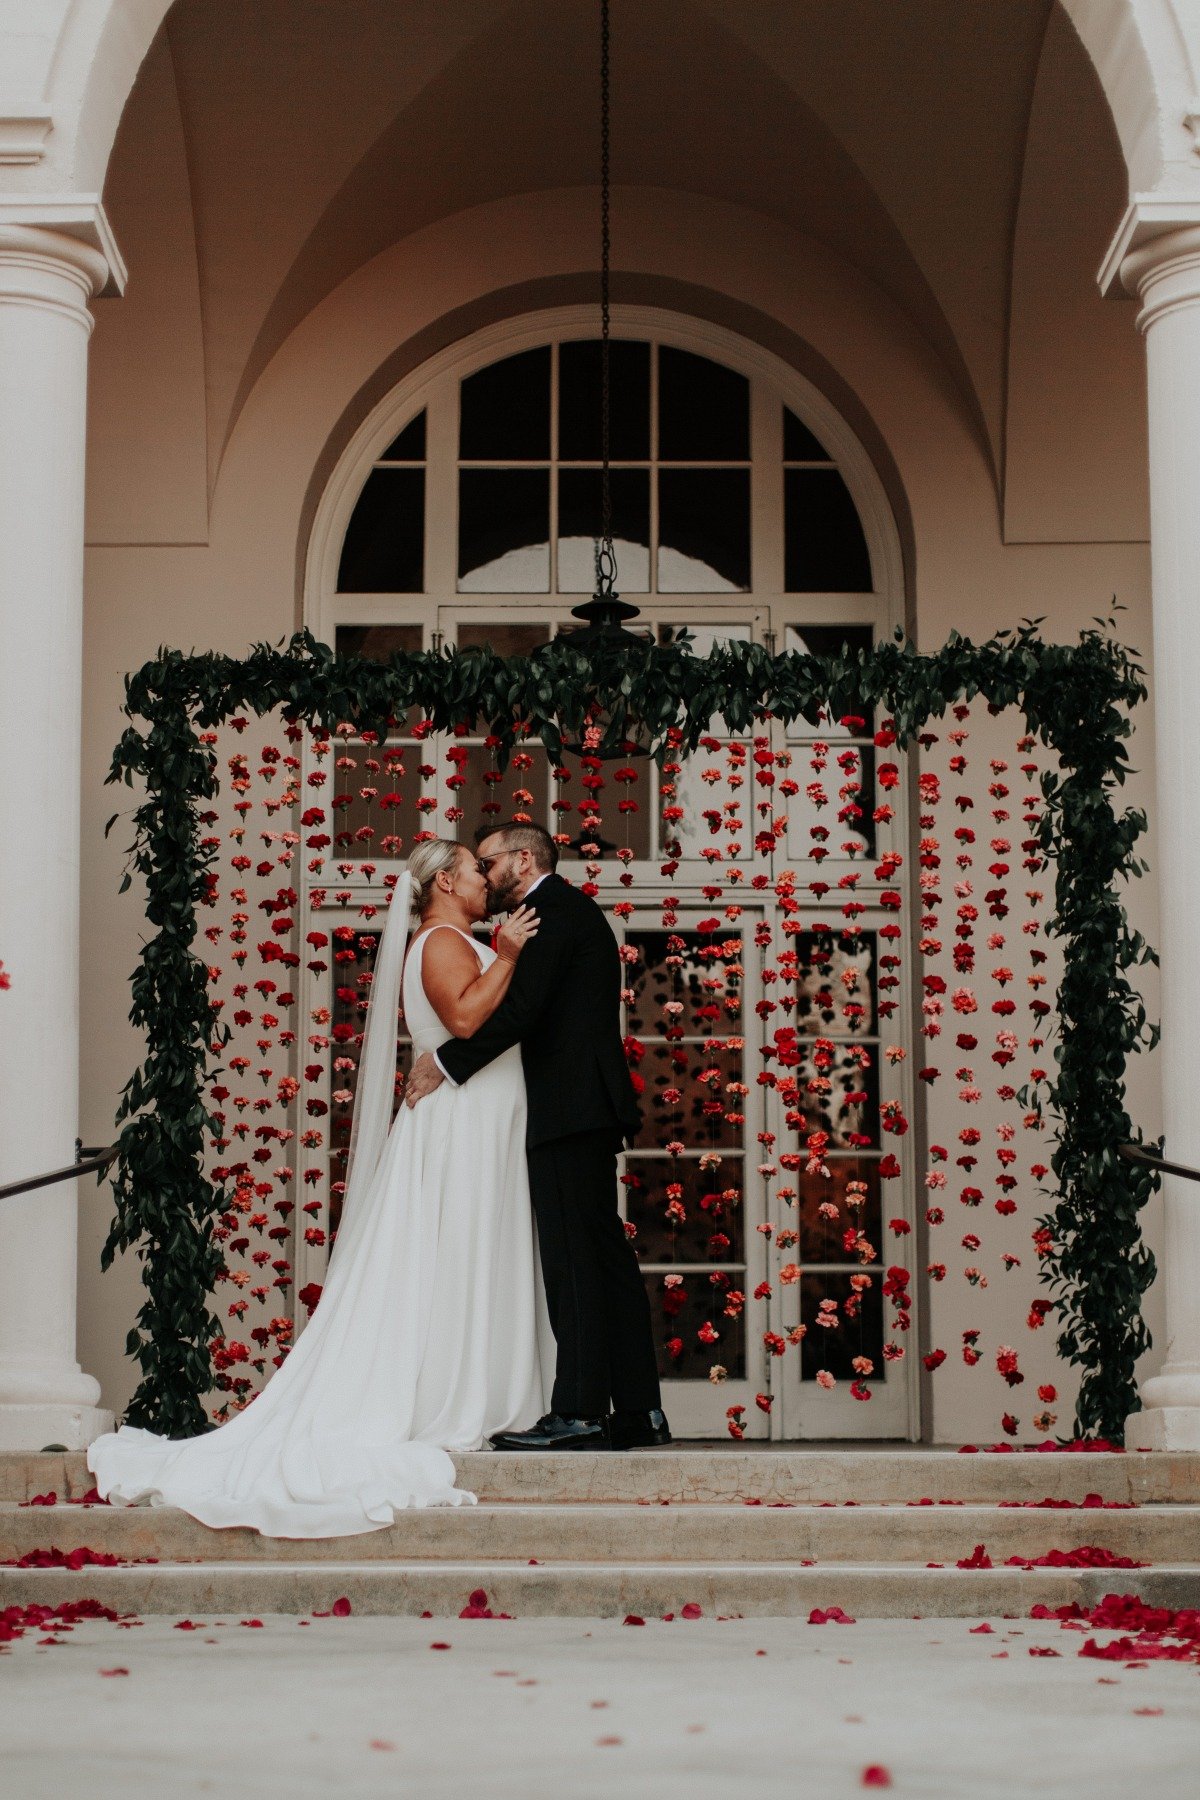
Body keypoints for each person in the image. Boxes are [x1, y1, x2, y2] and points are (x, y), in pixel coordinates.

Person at [86, 839, 552, 1536]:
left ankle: (481, 1388)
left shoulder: (453, 933)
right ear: (447, 881)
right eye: (477, 870)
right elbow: (461, 1019)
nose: (489, 880)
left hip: (479, 1116)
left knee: (470, 1252)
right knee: (457, 1250)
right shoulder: (442, 939)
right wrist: (509, 956)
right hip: (461, 1124)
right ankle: (456, 1397)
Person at [405, 820, 670, 1453]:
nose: (485, 876)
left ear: (521, 862)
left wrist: (442, 1065)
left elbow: (523, 1012)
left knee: (575, 1262)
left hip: (568, 1112)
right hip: (581, 1109)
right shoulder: (561, 911)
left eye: (489, 863)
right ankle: (639, 1412)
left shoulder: (549, 913)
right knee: (604, 1259)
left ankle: (579, 1412)